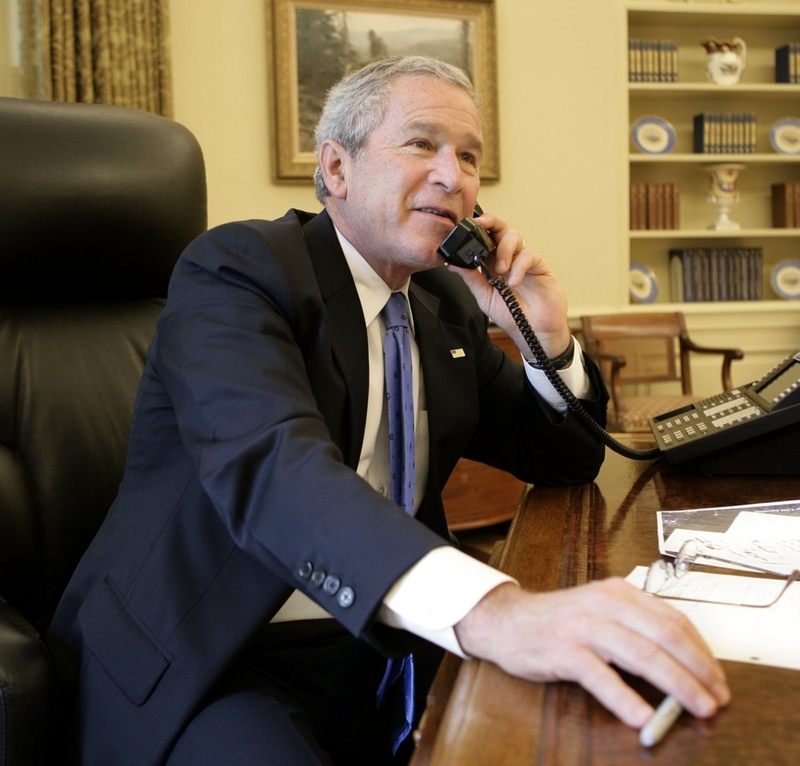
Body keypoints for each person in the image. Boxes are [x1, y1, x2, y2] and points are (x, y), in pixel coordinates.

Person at [47, 55, 729, 766]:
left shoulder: (441, 305)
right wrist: (496, 613)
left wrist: (547, 336)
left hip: (380, 641)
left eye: (470, 157)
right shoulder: (238, 270)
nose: (453, 175)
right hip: (220, 652)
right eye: (421, 143)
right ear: (336, 169)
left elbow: (564, 455)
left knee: (576, 731)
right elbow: (276, 468)